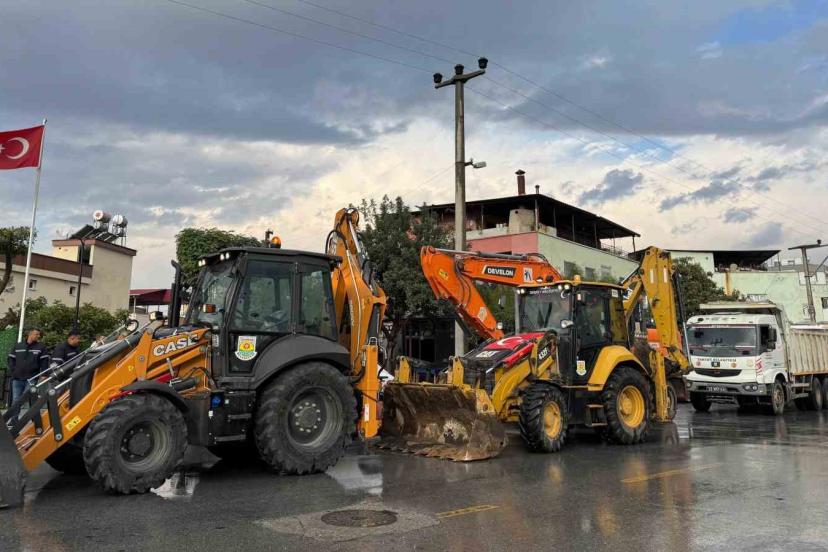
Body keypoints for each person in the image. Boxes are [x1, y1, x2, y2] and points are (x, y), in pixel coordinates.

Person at [7, 328, 49, 404]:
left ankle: (32, 416)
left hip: (32, 378)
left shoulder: (41, 347)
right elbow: (11, 359)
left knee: (30, 399)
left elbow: (44, 361)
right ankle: (13, 416)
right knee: (16, 400)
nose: (38, 336)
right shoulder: (18, 346)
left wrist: (44, 374)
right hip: (17, 378)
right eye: (36, 334)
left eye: (39, 334)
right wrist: (13, 370)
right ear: (30, 334)